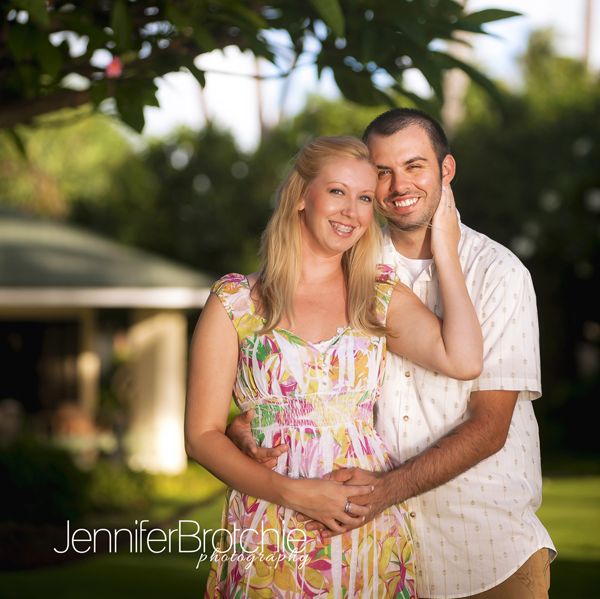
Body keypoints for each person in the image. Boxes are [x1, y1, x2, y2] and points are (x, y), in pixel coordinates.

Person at [229, 110, 555, 599]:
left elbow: (490, 428)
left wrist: (382, 492)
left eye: (415, 165)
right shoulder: (349, 261)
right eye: (382, 172)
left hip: (486, 549)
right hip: (378, 551)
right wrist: (246, 428)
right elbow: (294, 369)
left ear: (446, 170)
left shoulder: (500, 274)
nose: (398, 184)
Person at [185, 135, 483, 598]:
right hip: (271, 522)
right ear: (303, 195)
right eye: (338, 192)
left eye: (365, 198)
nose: (352, 211)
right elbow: (201, 436)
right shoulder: (235, 303)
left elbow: (463, 359)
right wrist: (289, 491)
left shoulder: (376, 296)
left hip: (365, 526)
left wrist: (445, 245)